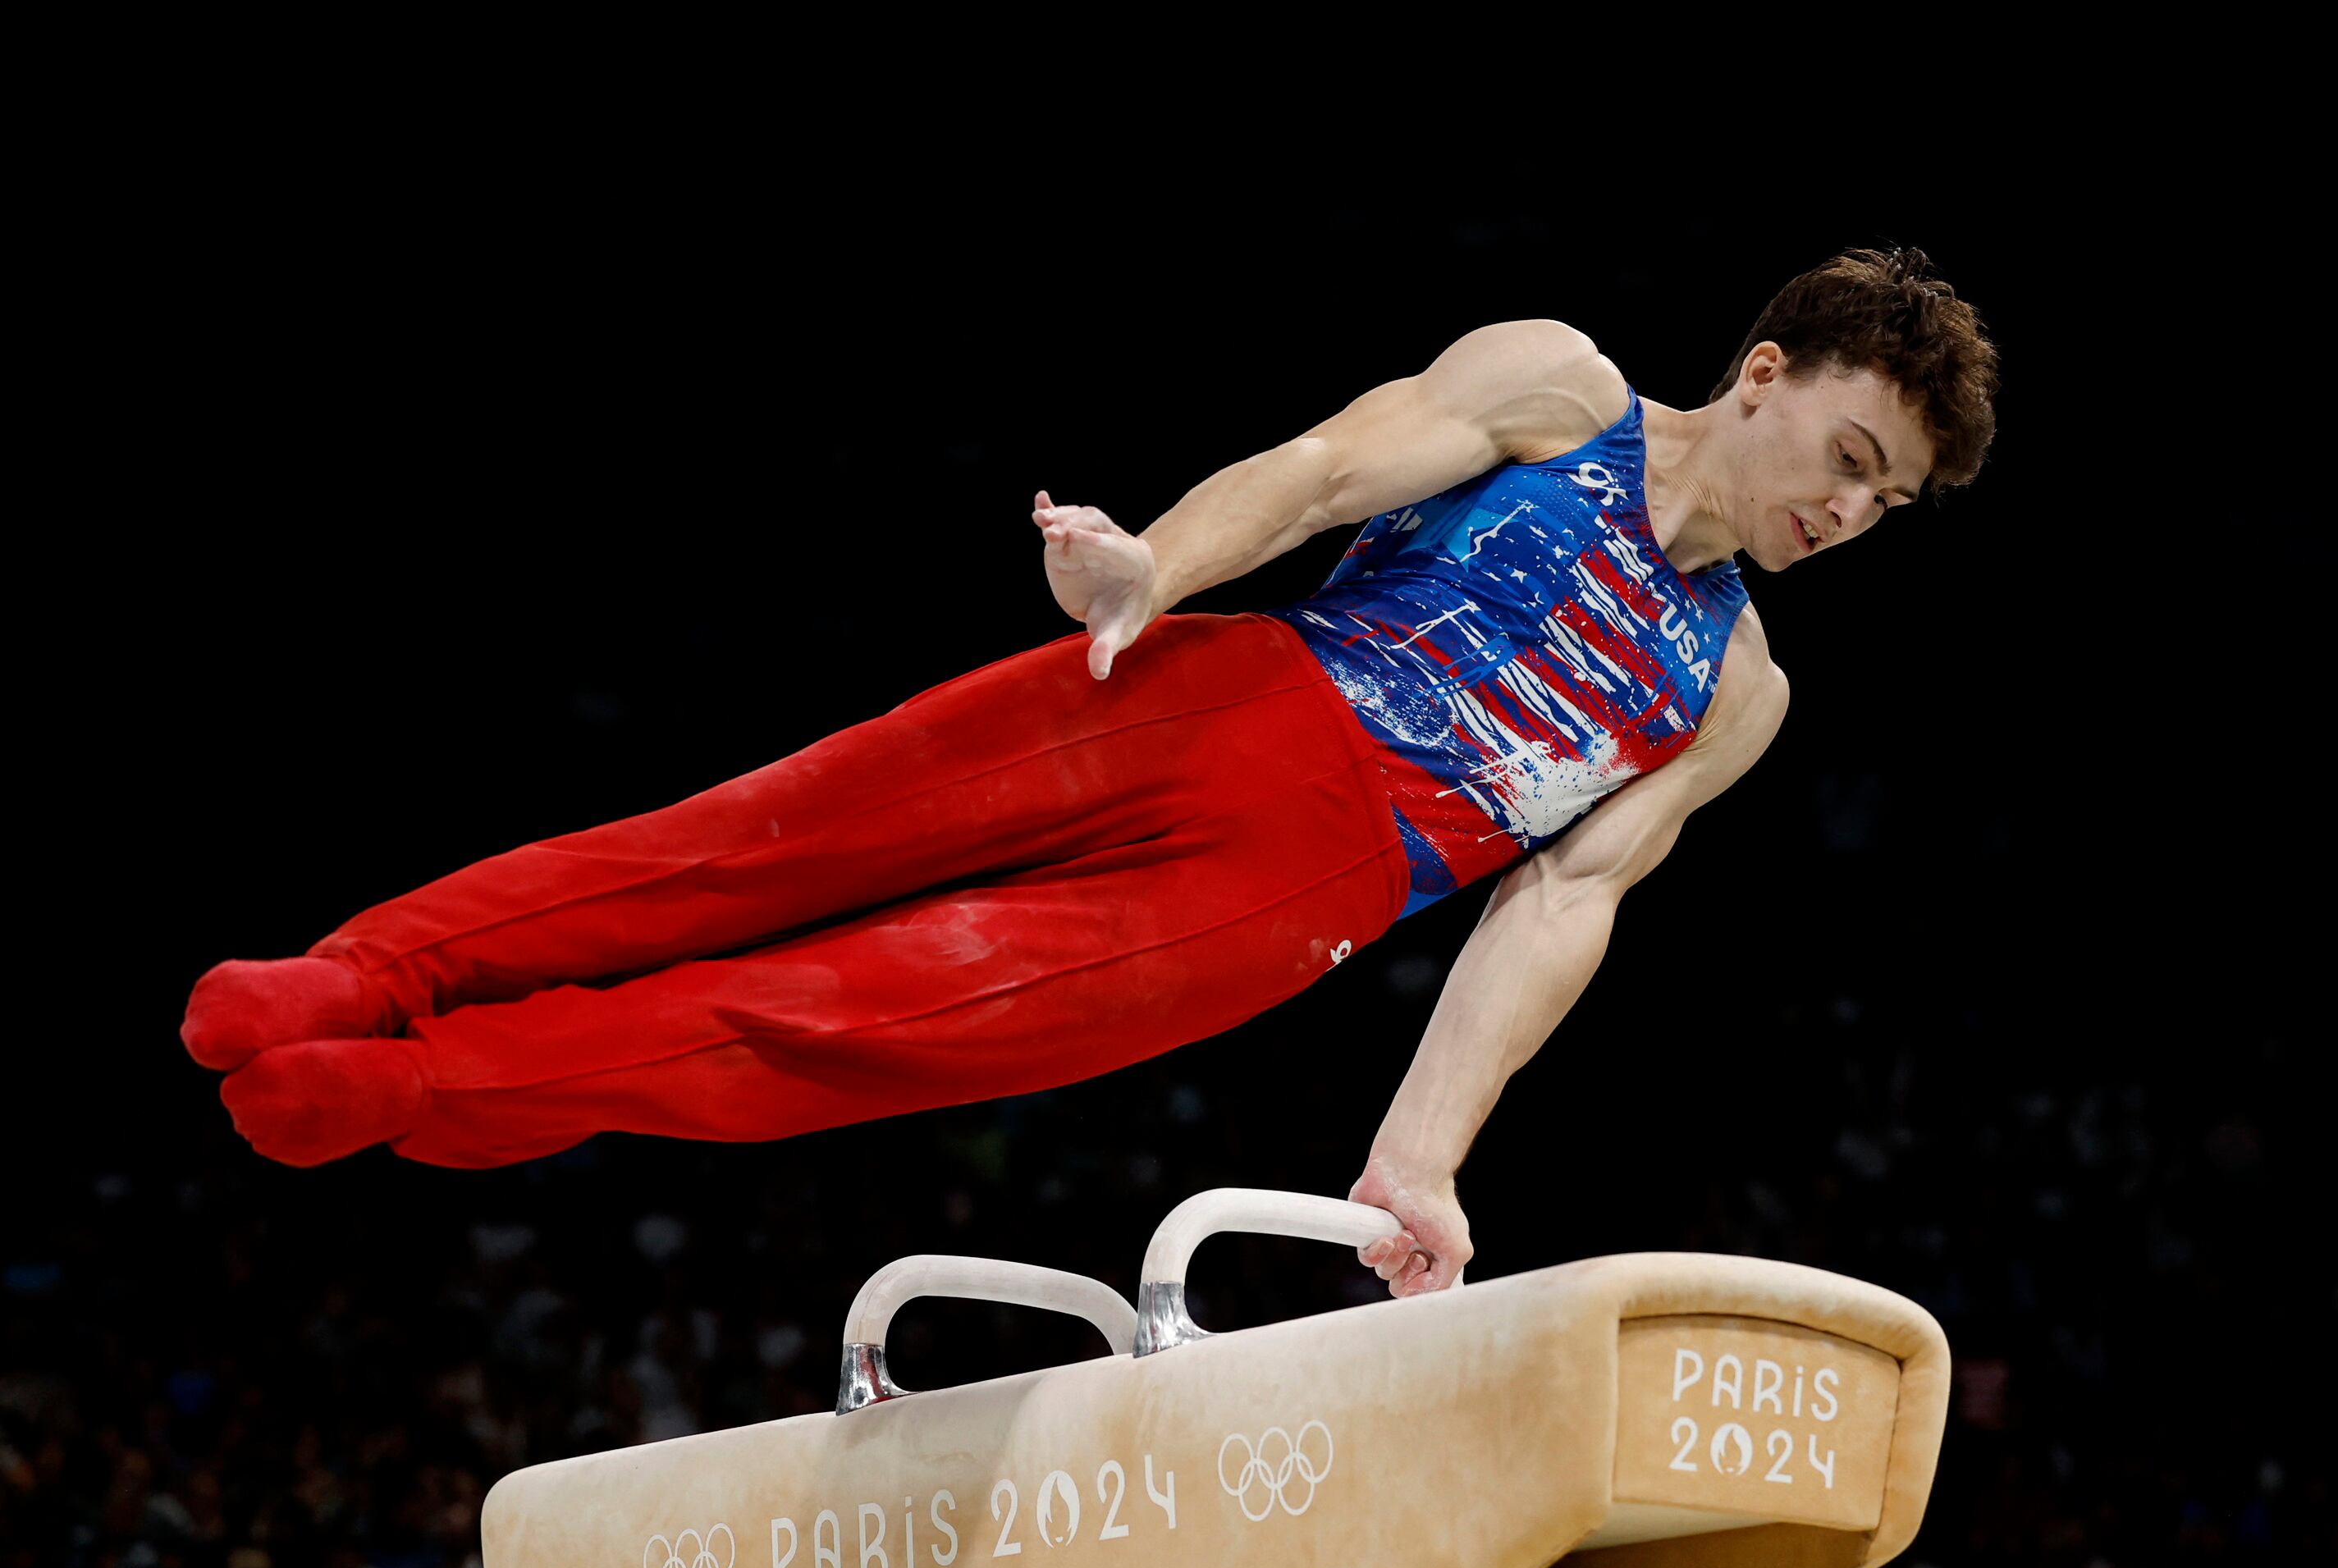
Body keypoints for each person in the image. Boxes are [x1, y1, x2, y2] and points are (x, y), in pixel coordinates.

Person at [180, 246, 1997, 1300]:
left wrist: (1418, 1162)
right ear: (1761, 375)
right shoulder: (1559, 388)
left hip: (1291, 902)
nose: (1844, 511)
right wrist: (1156, 571)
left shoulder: (1730, 690)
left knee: (836, 1023)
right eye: (1845, 452)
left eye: (1883, 502)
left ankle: (406, 1083)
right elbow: (1319, 471)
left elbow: (1563, 904)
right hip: (1226, 688)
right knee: (742, 844)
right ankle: (359, 972)